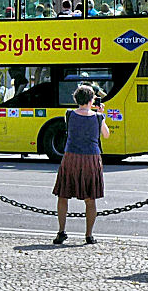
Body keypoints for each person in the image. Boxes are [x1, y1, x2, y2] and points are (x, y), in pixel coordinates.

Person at [52, 85, 110, 245]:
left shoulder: (69, 114)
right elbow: (106, 135)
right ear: (92, 100)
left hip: (71, 156)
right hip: (91, 157)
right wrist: (101, 115)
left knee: (63, 195)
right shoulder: (98, 117)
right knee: (90, 199)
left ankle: (61, 231)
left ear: (76, 99)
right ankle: (89, 235)